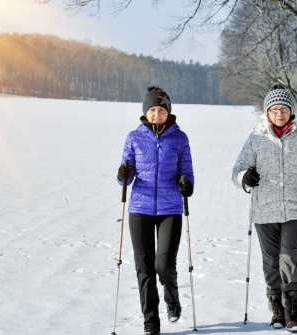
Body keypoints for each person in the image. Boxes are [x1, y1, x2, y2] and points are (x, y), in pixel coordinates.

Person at [231, 85, 297, 333]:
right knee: (271, 261)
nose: (279, 113)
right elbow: (236, 171)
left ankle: (293, 313)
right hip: (265, 212)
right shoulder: (256, 139)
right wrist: (245, 178)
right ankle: (278, 311)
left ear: (291, 111)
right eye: (274, 109)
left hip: (296, 209)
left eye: (284, 109)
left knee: (289, 257)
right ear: (267, 113)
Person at [117, 85, 195, 335]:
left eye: (161, 110)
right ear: (145, 111)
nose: (156, 114)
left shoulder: (179, 138)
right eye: (152, 109)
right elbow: (124, 177)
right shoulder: (134, 137)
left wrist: (187, 183)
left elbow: (188, 171)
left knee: (164, 265)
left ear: (168, 111)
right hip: (139, 209)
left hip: (170, 208)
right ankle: (151, 320)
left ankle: (172, 302)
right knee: (144, 268)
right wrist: (124, 174)